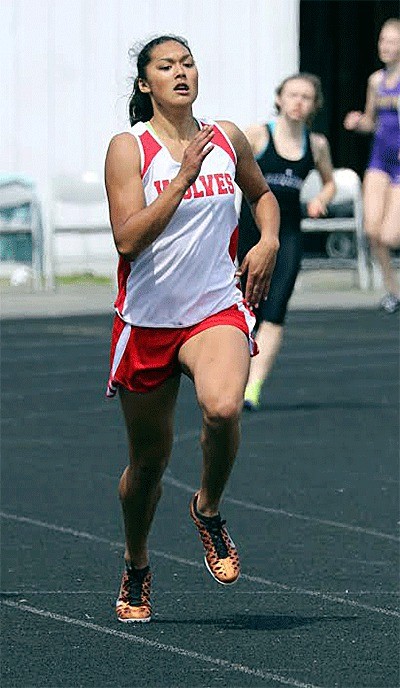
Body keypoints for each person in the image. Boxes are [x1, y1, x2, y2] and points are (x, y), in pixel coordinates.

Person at [104, 35, 280, 623]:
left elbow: (263, 197)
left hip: (214, 308)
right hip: (149, 320)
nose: (180, 73)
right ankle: (136, 563)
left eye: (187, 63)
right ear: (144, 83)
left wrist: (270, 241)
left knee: (224, 408)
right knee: (145, 469)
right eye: (165, 66)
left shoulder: (228, 137)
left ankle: (206, 509)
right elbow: (127, 239)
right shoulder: (130, 148)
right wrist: (180, 180)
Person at [238, 73, 335, 411]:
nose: (298, 102)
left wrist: (321, 198)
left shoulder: (317, 144)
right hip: (249, 235)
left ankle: (253, 387)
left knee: (275, 310)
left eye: (306, 97)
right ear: (279, 98)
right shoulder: (256, 135)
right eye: (292, 95)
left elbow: (330, 182)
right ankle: (232, 378)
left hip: (288, 234)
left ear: (314, 105)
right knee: (244, 309)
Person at [344, 18, 400, 314]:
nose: (385, 46)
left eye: (392, 41)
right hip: (380, 159)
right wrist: (358, 122)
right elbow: (371, 121)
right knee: (373, 230)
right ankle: (393, 290)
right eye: (382, 40)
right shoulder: (376, 81)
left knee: (392, 235)